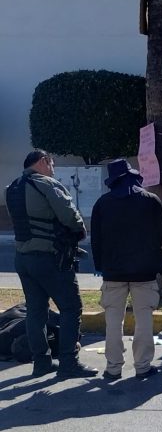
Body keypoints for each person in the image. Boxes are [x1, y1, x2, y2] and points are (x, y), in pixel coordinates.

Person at [4, 150, 97, 379]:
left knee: (36, 312)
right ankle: (68, 362)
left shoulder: (12, 188)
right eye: (52, 163)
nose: (53, 167)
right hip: (50, 258)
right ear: (43, 162)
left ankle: (42, 362)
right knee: (70, 308)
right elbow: (69, 216)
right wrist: (80, 232)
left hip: (23, 259)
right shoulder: (46, 184)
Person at [91, 159, 162, 380]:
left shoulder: (102, 203)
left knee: (113, 322)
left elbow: (96, 239)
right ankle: (142, 366)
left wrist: (101, 266)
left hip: (113, 272)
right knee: (144, 320)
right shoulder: (150, 200)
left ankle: (113, 368)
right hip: (144, 271)